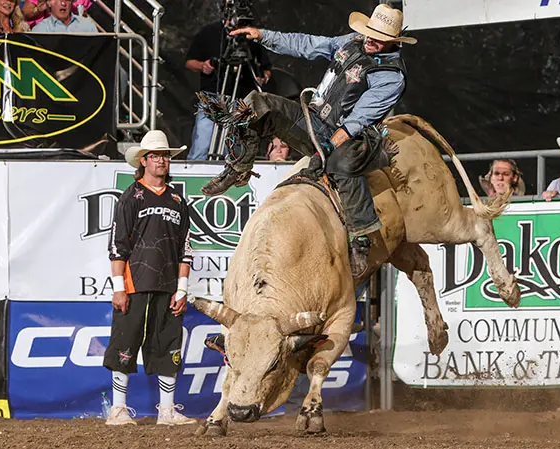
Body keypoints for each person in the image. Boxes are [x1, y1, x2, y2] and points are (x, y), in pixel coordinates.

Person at [200, 4, 416, 277]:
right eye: (370, 32)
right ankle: (238, 167)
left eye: (379, 37)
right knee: (258, 102)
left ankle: (361, 237)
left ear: (393, 42)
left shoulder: (391, 75)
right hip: (313, 119)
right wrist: (263, 35)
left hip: (352, 136)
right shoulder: (351, 42)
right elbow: (308, 45)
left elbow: (357, 121)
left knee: (342, 162)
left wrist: (327, 147)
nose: (371, 39)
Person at [102, 130, 198, 426]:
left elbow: (185, 249)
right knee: (125, 341)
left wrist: (181, 289)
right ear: (142, 161)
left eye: (165, 155)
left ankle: (166, 411)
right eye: (155, 156)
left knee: (168, 344)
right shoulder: (131, 196)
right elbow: (118, 245)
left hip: (168, 286)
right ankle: (118, 409)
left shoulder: (178, 200)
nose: (161, 160)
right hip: (135, 283)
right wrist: (119, 288)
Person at [184, 16, 272, 160]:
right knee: (202, 145)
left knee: (232, 150)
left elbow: (266, 68)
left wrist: (263, 77)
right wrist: (203, 66)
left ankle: (229, 178)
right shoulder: (209, 32)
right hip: (211, 96)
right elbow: (189, 62)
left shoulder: (250, 34)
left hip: (241, 100)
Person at [31, 0, 96, 32]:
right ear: (49, 2)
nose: (63, 3)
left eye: (67, 0)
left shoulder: (87, 25)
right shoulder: (41, 29)